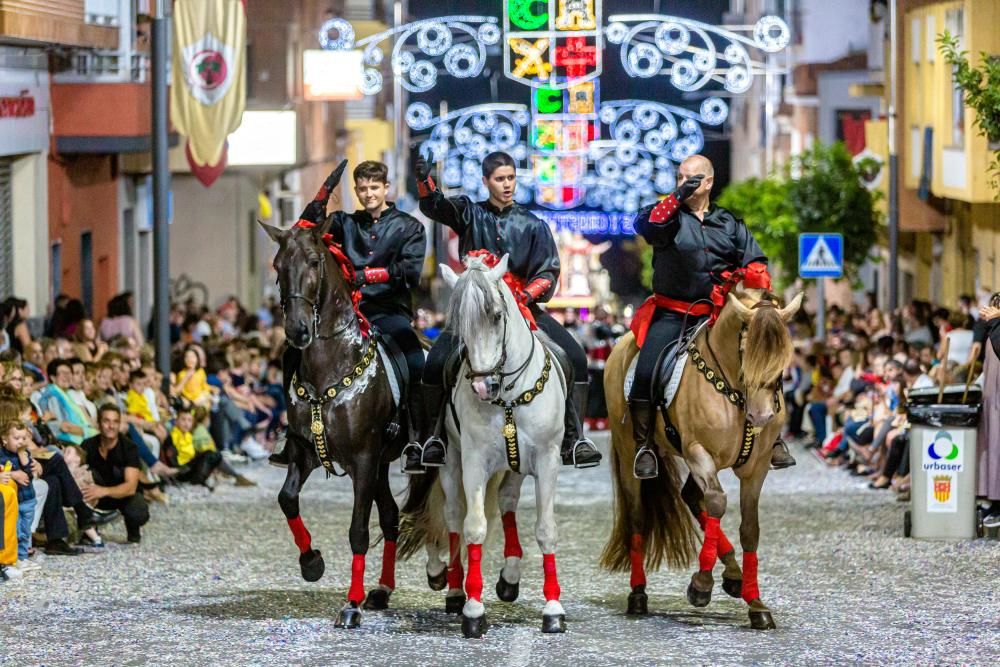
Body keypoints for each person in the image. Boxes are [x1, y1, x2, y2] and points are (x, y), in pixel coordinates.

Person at [415, 150, 602, 469]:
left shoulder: (534, 224)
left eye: (511, 178)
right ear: (486, 181)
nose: (507, 185)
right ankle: (433, 438)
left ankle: (574, 438)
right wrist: (424, 181)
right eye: (500, 179)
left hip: (523, 308)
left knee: (575, 357)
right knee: (435, 363)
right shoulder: (468, 213)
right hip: (477, 316)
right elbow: (435, 206)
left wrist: (524, 296)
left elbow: (548, 270)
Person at [627, 154, 795, 478]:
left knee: (766, 355)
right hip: (674, 314)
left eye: (692, 179)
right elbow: (646, 224)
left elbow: (755, 260)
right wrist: (678, 195)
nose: (684, 184)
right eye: (679, 178)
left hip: (721, 314)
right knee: (645, 370)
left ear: (709, 182)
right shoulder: (668, 219)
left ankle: (774, 437)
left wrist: (759, 298)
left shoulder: (730, 223)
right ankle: (644, 444)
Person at [272, 160, 431, 473]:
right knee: (291, 354)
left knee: (415, 360)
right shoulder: (343, 223)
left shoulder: (410, 227)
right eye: (362, 188)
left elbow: (410, 273)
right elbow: (302, 230)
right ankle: (293, 433)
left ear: (387, 188)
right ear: (356, 190)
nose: (368, 193)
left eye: (374, 187)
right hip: (344, 315)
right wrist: (324, 192)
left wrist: (366, 276)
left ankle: (418, 439)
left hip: (388, 312)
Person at [80, 405, 149, 544]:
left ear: (119, 424)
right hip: (95, 494)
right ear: (99, 424)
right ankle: (89, 529)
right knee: (85, 477)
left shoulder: (129, 448)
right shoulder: (88, 445)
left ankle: (133, 530)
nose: (111, 426)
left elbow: (130, 487)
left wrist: (103, 491)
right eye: (106, 421)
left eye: (115, 422)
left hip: (124, 495)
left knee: (137, 511)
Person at [170, 406, 255, 488]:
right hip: (182, 472)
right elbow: (173, 461)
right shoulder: (172, 436)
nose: (186, 423)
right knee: (211, 454)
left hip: (190, 468)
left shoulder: (188, 435)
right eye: (183, 420)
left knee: (214, 454)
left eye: (189, 420)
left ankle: (235, 476)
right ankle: (235, 476)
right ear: (176, 421)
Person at [0, 420, 38, 566]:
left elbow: (29, 473)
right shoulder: (1, 455)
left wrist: (24, 456)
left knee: (26, 530)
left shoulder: (25, 454)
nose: (20, 442)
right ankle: (15, 557)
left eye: (23, 439)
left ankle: (23, 557)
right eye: (16, 439)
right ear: (4, 439)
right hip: (14, 500)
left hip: (28, 499)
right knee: (14, 531)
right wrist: (14, 474)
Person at [36, 359, 97, 445]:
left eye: (69, 373)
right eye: (63, 373)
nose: (67, 376)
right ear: (53, 378)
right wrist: (91, 433)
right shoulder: (52, 396)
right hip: (67, 443)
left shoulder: (66, 394)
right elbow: (63, 426)